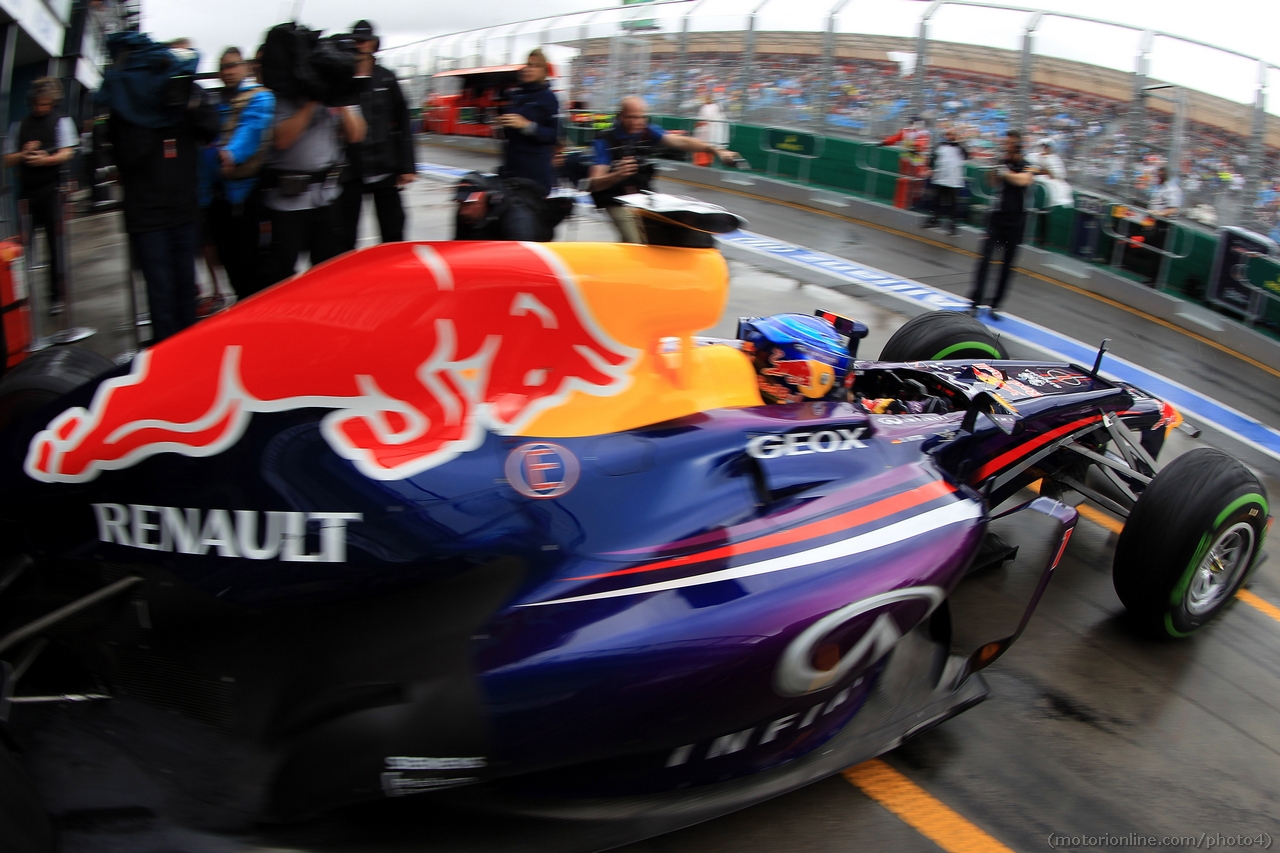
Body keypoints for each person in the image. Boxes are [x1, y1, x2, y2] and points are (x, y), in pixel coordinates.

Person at [103, 37, 219, 343]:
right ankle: (168, 356)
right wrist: (149, 118)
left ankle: (191, 349)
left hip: (183, 209)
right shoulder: (126, 109)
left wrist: (190, 104)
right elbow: (129, 159)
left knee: (186, 286)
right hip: (148, 217)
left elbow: (211, 129)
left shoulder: (184, 95)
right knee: (161, 292)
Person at [589, 96, 740, 243]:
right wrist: (617, 175)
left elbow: (681, 142)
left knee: (674, 231)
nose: (637, 122)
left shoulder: (646, 131)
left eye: (641, 117)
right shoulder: (605, 140)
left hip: (643, 197)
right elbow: (594, 183)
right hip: (616, 199)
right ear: (620, 116)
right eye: (631, 117)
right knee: (634, 240)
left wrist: (717, 151)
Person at [262, 86, 366, 286]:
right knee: (280, 274)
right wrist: (311, 101)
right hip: (287, 201)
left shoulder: (338, 93)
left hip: (327, 197)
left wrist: (341, 102)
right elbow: (282, 140)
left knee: (329, 271)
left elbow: (356, 135)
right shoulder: (279, 97)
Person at [336, 20, 415, 252]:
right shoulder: (341, 79)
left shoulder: (387, 78)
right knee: (344, 237)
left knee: (393, 233)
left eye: (364, 41)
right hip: (350, 171)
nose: (360, 46)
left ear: (373, 44)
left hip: (385, 168)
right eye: (355, 42)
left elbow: (404, 122)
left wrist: (406, 166)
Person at [204, 47, 274, 300]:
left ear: (245, 68)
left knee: (257, 264)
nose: (229, 71)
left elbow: (252, 128)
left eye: (234, 65)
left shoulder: (259, 98)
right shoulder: (212, 102)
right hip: (220, 197)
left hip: (252, 193)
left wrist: (232, 153)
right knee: (233, 265)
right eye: (224, 67)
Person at [4, 78, 78, 315]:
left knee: (55, 246)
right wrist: (24, 154)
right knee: (24, 248)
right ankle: (21, 299)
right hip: (27, 191)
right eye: (38, 104)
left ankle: (56, 297)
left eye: (46, 104)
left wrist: (45, 159)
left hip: (52, 190)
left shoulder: (61, 122)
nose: (41, 108)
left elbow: (67, 153)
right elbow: (7, 159)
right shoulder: (20, 125)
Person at [969, 130, 1037, 318]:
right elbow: (991, 182)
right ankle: (975, 302)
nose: (1006, 146)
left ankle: (995, 305)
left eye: (1009, 144)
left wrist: (1005, 173)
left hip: (1016, 222)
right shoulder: (1002, 162)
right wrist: (995, 168)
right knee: (985, 260)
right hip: (997, 218)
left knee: (1007, 266)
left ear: (1018, 146)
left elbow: (1023, 180)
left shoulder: (1027, 166)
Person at [493, 48, 559, 195]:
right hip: (512, 168)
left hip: (534, 173)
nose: (530, 69)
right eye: (528, 64)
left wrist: (526, 125)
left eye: (536, 66)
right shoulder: (516, 95)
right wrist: (503, 123)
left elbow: (552, 135)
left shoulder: (548, 97)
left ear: (544, 71)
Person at [452, 171, 560, 242]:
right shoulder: (464, 217)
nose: (463, 212)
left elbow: (523, 256)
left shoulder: (516, 216)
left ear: (488, 199)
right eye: (461, 204)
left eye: (469, 204)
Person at [924, 127, 967, 236]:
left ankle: (952, 225)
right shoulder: (940, 146)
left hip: (953, 180)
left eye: (952, 134)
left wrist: (958, 142)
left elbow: (966, 155)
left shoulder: (960, 148)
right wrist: (930, 169)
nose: (950, 137)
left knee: (953, 203)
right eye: (948, 134)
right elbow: (932, 157)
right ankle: (934, 219)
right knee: (936, 200)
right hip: (941, 177)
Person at [693, 94, 728, 167]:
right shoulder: (718, 108)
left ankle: (701, 162)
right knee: (710, 147)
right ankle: (708, 162)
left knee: (702, 147)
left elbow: (702, 120)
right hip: (714, 134)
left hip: (705, 132)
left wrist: (697, 125)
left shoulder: (706, 107)